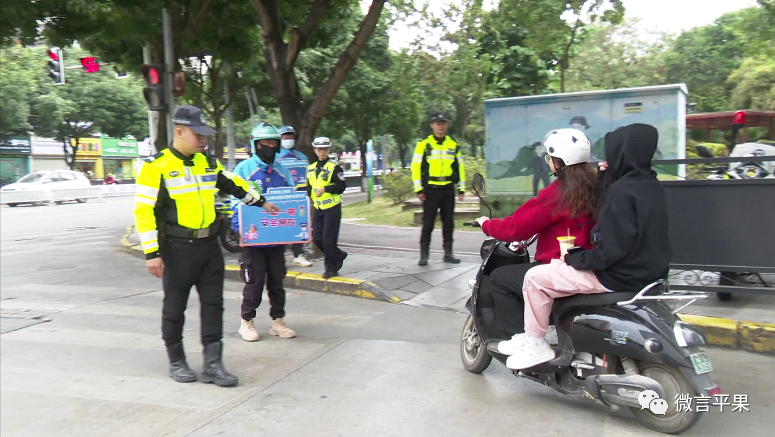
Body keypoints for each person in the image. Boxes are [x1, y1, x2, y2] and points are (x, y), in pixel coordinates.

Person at [499, 123, 672, 370]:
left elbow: (611, 251)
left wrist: (577, 258)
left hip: (619, 276)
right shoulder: (649, 185)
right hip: (650, 274)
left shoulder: (620, 193)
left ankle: (535, 345)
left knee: (535, 278)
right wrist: (605, 177)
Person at [134, 105, 279, 387]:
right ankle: (177, 361)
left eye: (205, 135)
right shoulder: (156, 167)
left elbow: (233, 184)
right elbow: (144, 211)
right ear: (179, 131)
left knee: (214, 306)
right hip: (177, 249)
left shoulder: (206, 163)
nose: (203, 140)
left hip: (209, 248)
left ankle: (213, 364)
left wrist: (261, 202)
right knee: (175, 307)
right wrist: (152, 253)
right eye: (197, 134)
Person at [475, 128, 597, 343]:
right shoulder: (594, 187)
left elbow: (515, 228)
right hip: (589, 264)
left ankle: (518, 339)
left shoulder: (559, 192)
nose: (549, 162)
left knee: (499, 280)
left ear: (558, 162)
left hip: (561, 266)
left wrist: (487, 224)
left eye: (550, 157)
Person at [231, 123, 298, 342]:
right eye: (265, 143)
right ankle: (247, 321)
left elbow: (292, 199)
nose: (270, 146)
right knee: (254, 282)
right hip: (253, 239)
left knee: (278, 281)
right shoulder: (244, 169)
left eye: (273, 143)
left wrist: (298, 227)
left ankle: (277, 321)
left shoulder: (282, 170)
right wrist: (237, 228)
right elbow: (234, 201)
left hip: (277, 238)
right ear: (256, 144)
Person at [411, 112, 465, 266]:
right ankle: (424, 255)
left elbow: (460, 167)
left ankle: (448, 253)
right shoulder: (423, 144)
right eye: (438, 123)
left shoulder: (453, 145)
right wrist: (418, 189)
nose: (441, 126)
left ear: (446, 125)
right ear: (432, 125)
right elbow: (415, 168)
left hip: (448, 190)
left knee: (448, 223)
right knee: (428, 223)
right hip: (430, 191)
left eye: (443, 123)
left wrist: (461, 188)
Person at [306, 137, 347, 278]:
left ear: (329, 150)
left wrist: (326, 189)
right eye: (319, 149)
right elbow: (309, 188)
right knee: (317, 238)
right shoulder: (310, 169)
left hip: (332, 208)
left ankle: (331, 269)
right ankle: (338, 255)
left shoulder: (335, 167)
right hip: (318, 209)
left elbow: (341, 186)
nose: (321, 152)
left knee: (329, 240)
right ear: (315, 150)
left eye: (324, 149)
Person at [277, 125, 313, 268]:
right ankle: (279, 258)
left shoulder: (302, 157)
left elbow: (309, 176)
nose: (288, 139)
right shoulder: (275, 157)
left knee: (300, 224)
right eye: (285, 136)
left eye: (290, 136)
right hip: (281, 196)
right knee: (281, 225)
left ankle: (298, 254)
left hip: (299, 196)